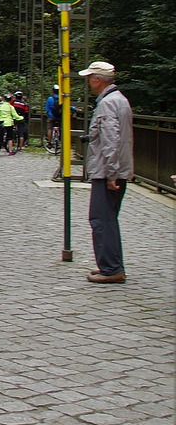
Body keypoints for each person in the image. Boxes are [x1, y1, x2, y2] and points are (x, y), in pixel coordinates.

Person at [78, 61, 134, 285]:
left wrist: (111, 173)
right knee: (108, 219)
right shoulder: (119, 100)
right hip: (116, 170)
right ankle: (110, 264)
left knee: (101, 219)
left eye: (90, 77)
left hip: (108, 171)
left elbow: (111, 140)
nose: (89, 82)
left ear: (97, 80)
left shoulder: (108, 104)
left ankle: (111, 269)